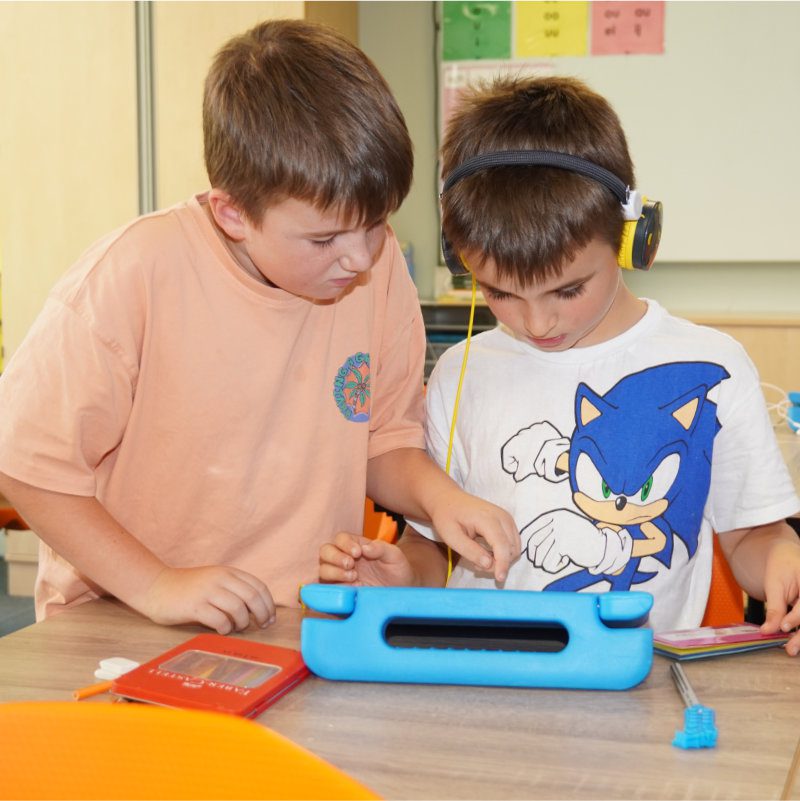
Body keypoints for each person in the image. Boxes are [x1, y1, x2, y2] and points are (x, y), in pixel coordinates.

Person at [0, 20, 520, 634]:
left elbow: (383, 440)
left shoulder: (377, 275)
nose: (359, 258)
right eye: (324, 239)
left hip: (294, 619)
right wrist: (158, 585)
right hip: (122, 616)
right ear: (233, 214)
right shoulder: (133, 275)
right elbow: (25, 464)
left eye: (377, 223)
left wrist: (442, 499)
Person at [319, 75, 800, 656]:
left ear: (631, 237)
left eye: (568, 290)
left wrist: (783, 563)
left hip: (636, 679)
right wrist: (405, 575)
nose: (537, 322)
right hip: (486, 669)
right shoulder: (460, 374)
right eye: (499, 293)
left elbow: (752, 538)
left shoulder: (711, 366)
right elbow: (434, 550)